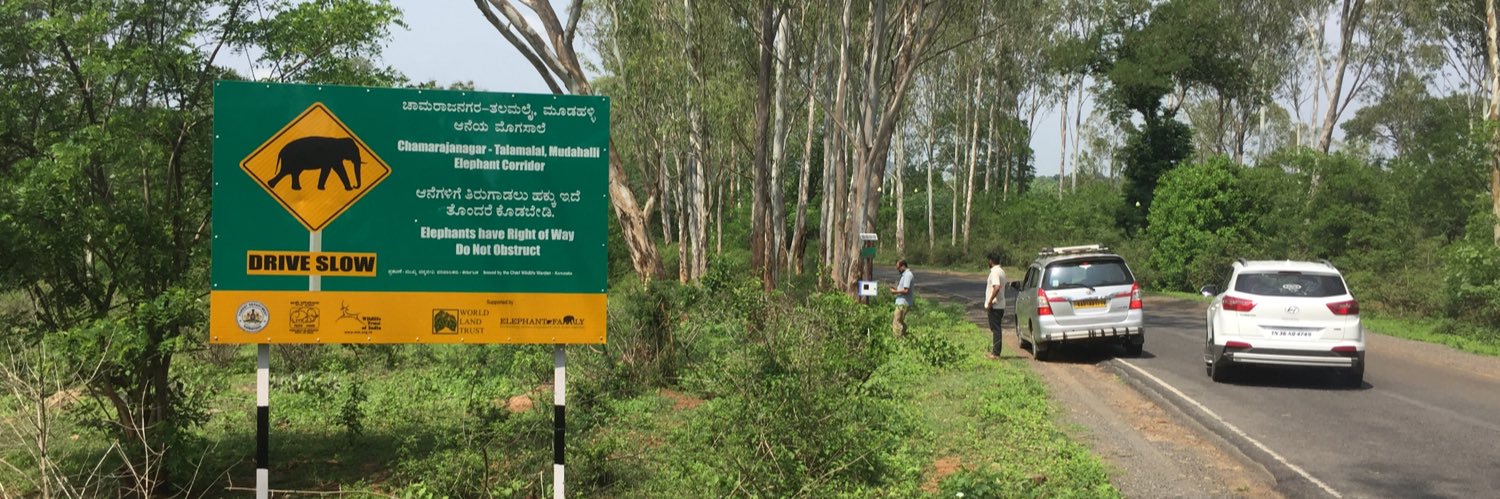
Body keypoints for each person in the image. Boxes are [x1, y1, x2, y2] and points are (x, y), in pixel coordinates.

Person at [984, 252, 1008, 358]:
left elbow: (996, 287)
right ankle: (995, 351)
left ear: (990, 261)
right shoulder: (1001, 271)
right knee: (995, 328)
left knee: (996, 329)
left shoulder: (995, 272)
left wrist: (990, 301)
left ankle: (996, 353)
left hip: (995, 305)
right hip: (1000, 304)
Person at [890, 259, 914, 336]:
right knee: (899, 321)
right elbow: (903, 289)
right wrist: (896, 289)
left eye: (898, 268)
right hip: (902, 302)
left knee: (896, 322)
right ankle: (905, 336)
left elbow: (906, 290)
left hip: (903, 303)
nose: (898, 270)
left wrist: (895, 292)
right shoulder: (905, 275)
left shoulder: (907, 275)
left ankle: (898, 340)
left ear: (903, 266)